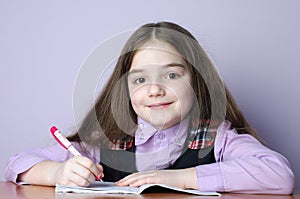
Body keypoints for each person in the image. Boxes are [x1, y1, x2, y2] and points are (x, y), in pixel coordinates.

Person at [5, 21, 294, 194]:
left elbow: (279, 175)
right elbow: (16, 164)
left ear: (197, 82)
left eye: (171, 75)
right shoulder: (105, 140)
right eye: (140, 79)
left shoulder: (216, 137)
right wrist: (58, 173)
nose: (155, 89)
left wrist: (176, 179)